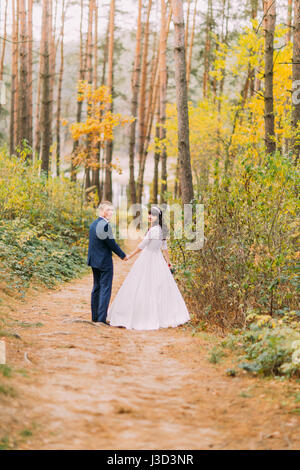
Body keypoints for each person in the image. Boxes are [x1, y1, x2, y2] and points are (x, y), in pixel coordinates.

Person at [107, 206, 190, 330]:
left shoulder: (153, 230)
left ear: (158, 217)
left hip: (149, 257)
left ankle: (142, 316)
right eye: (150, 214)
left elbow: (142, 245)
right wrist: (168, 262)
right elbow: (164, 248)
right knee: (158, 286)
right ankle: (164, 315)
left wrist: (130, 256)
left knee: (142, 285)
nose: (150, 217)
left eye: (154, 215)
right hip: (158, 259)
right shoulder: (162, 230)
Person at [87, 201, 128, 324]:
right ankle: (101, 319)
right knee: (105, 288)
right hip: (104, 262)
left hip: (94, 260)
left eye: (111, 210)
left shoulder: (93, 224)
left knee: (96, 287)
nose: (111, 212)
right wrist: (123, 255)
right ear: (102, 211)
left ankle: (95, 317)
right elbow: (111, 243)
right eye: (108, 210)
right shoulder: (104, 225)